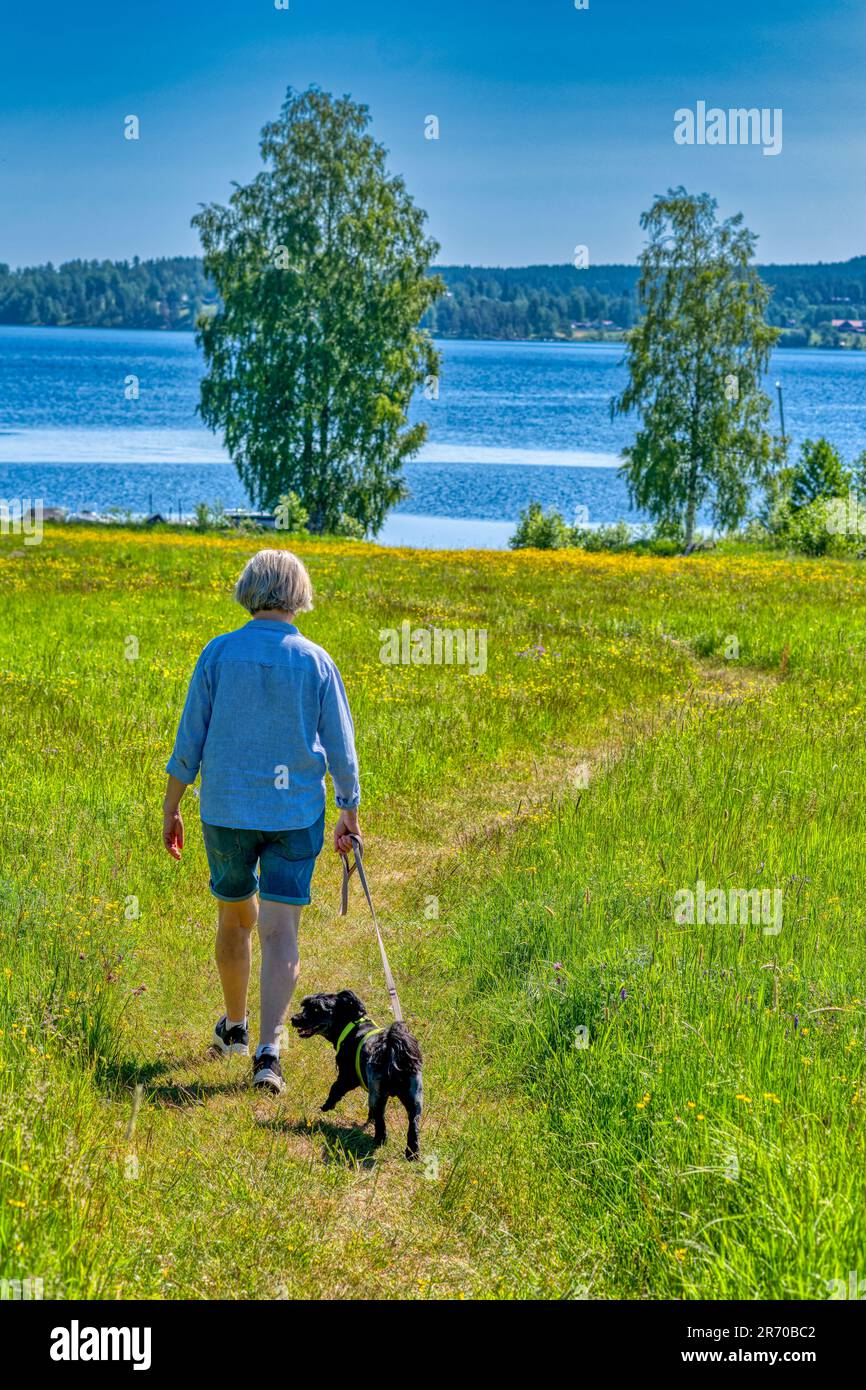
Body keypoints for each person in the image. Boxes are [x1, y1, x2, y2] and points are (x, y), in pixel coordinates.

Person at [162, 547, 360, 1094]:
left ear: (249, 591)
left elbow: (189, 741)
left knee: (233, 921)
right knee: (280, 929)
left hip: (226, 811)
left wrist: (172, 805)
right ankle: (269, 1055)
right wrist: (349, 811)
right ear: (299, 595)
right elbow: (341, 750)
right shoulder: (317, 661)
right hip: (295, 814)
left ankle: (235, 1030)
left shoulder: (218, 654)